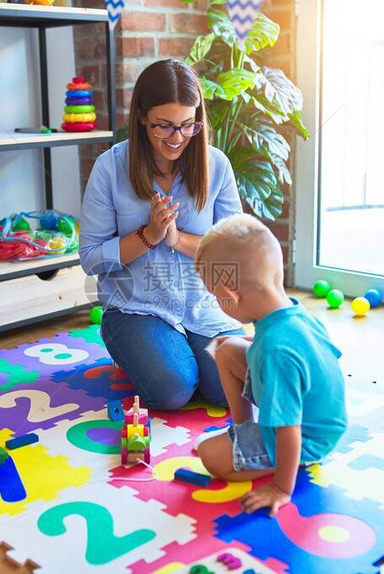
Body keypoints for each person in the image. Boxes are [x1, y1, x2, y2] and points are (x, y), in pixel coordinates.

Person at [79, 59, 244, 410]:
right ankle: (140, 353)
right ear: (141, 117)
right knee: (173, 389)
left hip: (203, 306)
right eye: (165, 126)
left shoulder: (216, 166)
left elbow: (234, 250)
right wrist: (148, 236)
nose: (177, 138)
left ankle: (181, 356)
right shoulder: (109, 168)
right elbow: (91, 258)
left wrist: (175, 239)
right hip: (136, 308)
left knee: (235, 386)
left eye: (188, 126)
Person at [194, 214, 348, 516]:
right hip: (315, 414)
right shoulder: (293, 312)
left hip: (307, 436)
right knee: (225, 349)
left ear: (230, 295)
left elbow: (288, 429)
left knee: (209, 456)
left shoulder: (277, 351)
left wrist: (280, 488)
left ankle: (270, 461)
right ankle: (242, 429)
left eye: (216, 297)